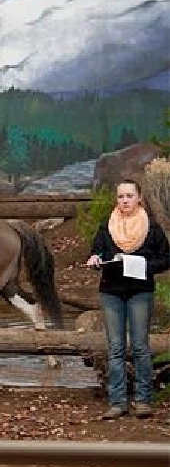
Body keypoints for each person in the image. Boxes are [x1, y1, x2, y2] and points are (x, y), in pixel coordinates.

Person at [85, 179, 169, 420]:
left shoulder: (151, 228)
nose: (124, 201)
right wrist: (95, 260)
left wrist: (143, 265)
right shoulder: (106, 226)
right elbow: (96, 252)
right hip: (111, 292)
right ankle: (117, 402)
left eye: (129, 196)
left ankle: (143, 401)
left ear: (139, 198)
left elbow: (166, 258)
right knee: (116, 349)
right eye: (121, 197)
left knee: (141, 348)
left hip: (140, 292)